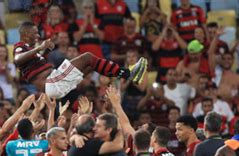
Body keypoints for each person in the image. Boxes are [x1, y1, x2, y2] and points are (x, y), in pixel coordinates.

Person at [14, 21, 147, 100]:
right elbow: (17, 59)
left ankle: (128, 75)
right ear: (25, 34)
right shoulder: (20, 47)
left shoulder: (31, 50)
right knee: (87, 57)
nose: (38, 36)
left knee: (91, 64)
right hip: (52, 83)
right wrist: (40, 48)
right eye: (35, 33)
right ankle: (128, 74)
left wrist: (45, 49)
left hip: (55, 82)